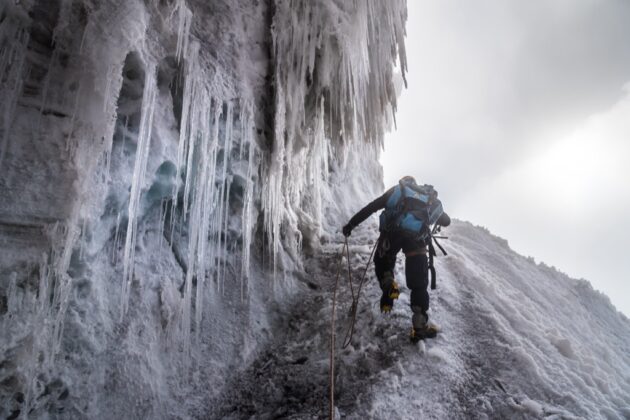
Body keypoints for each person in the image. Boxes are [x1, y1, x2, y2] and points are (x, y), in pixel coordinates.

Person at [342, 176, 451, 342]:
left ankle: (388, 283)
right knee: (418, 283)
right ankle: (419, 327)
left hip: (392, 234)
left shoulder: (396, 191)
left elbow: (371, 208)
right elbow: (446, 220)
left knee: (383, 261)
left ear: (404, 181)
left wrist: (350, 225)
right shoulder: (427, 197)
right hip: (417, 240)